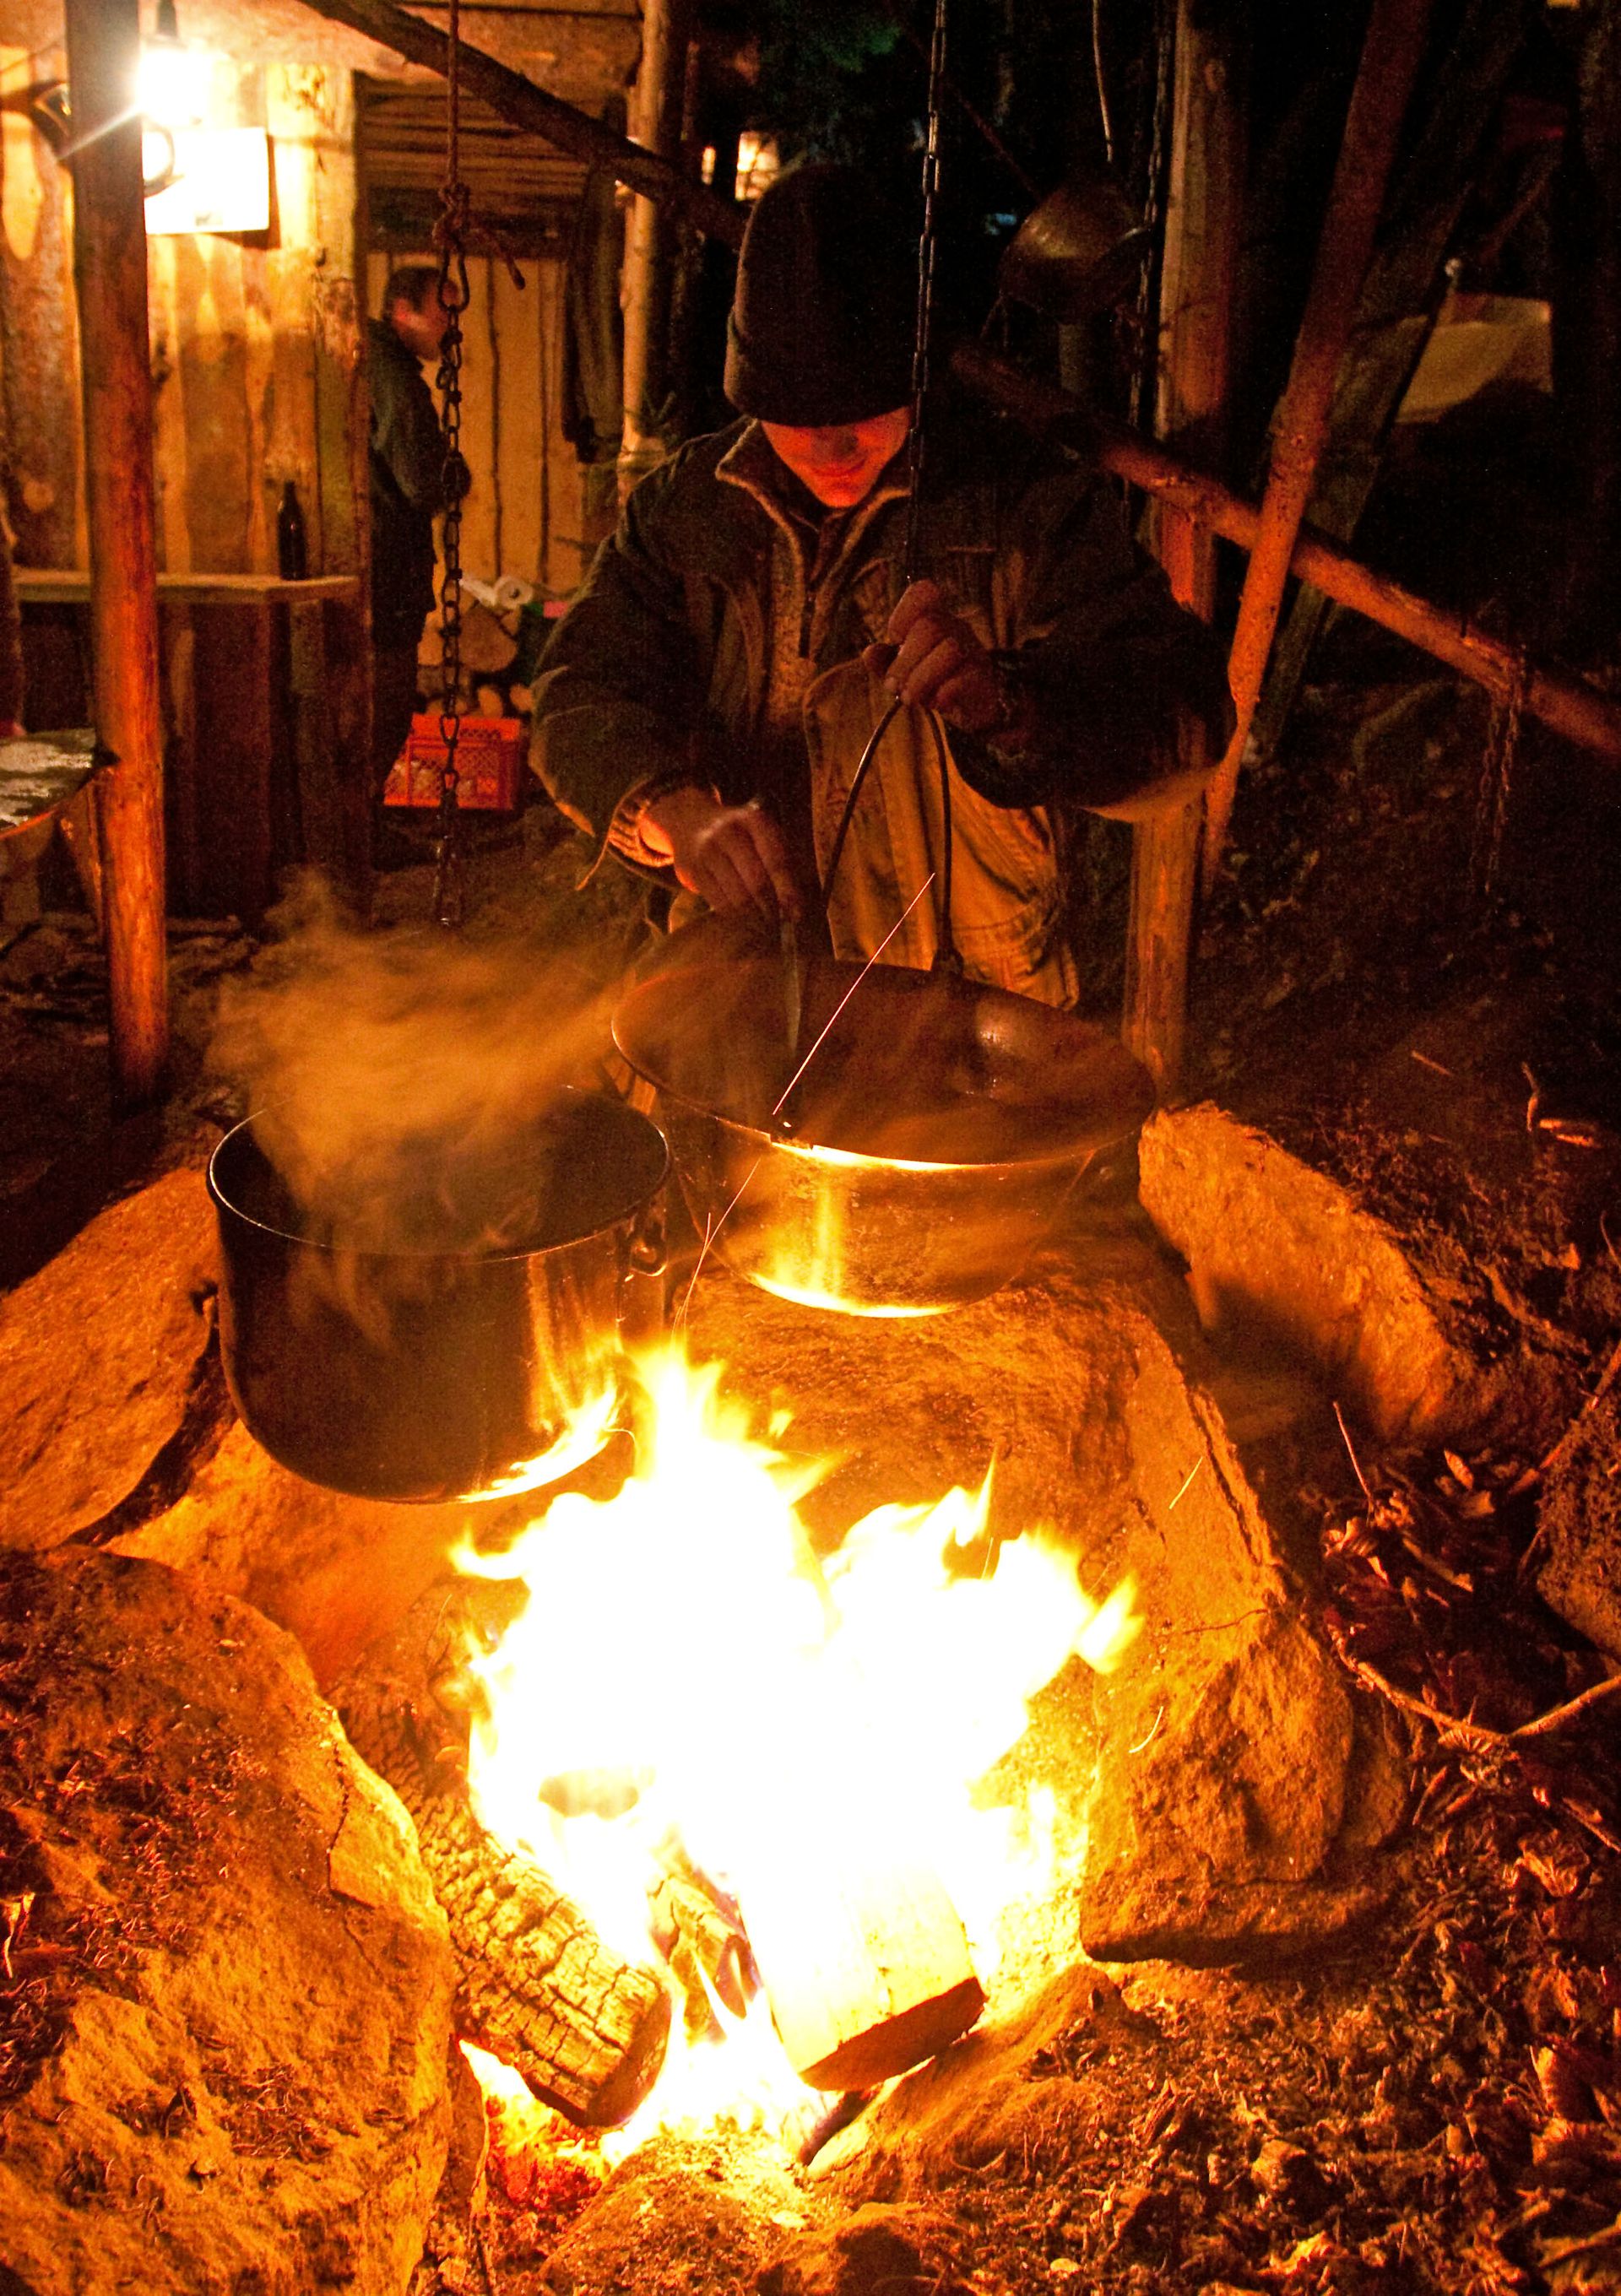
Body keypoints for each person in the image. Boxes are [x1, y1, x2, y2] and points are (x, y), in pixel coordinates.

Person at [531, 165, 1233, 1005]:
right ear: (750, 395)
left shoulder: (1026, 506)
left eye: (861, 410)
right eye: (798, 418)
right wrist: (666, 808)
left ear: (915, 380)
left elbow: (1186, 719)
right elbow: (579, 692)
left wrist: (1019, 703)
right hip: (731, 997)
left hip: (962, 1014)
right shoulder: (686, 513)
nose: (834, 452)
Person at [366, 266, 467, 803]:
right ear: (402, 311)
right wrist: (459, 474)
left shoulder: (376, 366)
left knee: (379, 708)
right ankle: (363, 833)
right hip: (388, 570)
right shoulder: (396, 379)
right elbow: (422, 481)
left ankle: (366, 827)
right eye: (442, 310)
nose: (450, 326)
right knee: (384, 706)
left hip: (384, 564)